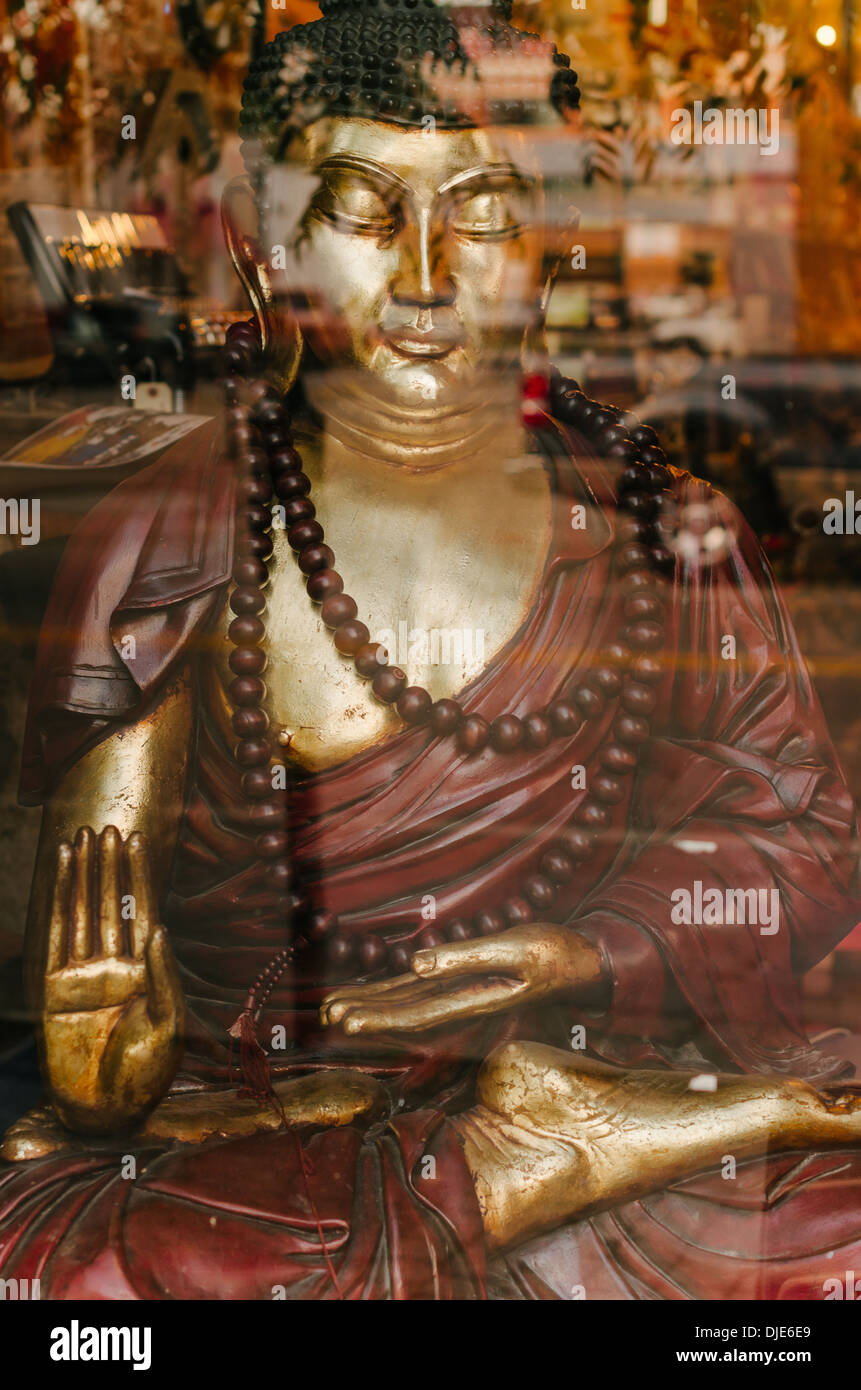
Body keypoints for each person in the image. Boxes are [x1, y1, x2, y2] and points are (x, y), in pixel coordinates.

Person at [2, 0, 861, 1301]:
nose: (421, 269)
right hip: (274, 1132)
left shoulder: (654, 528)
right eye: (358, 209)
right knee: (76, 1279)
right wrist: (103, 1052)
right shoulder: (175, 539)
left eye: (477, 206)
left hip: (595, 1057)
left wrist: (592, 948)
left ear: (553, 243)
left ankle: (550, 1138)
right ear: (264, 243)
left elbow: (801, 833)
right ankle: (510, 1166)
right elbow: (103, 971)